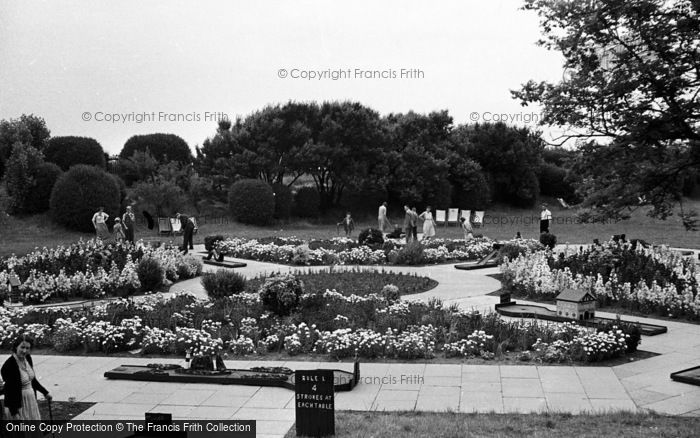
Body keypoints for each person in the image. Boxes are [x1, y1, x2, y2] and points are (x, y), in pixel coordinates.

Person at [1, 334, 52, 423]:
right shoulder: (9, 366)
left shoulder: (27, 358)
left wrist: (45, 392)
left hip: (30, 401)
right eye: (22, 347)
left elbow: (32, 380)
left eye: (28, 348)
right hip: (17, 405)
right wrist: (14, 413)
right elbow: (9, 391)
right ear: (16, 347)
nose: (24, 351)